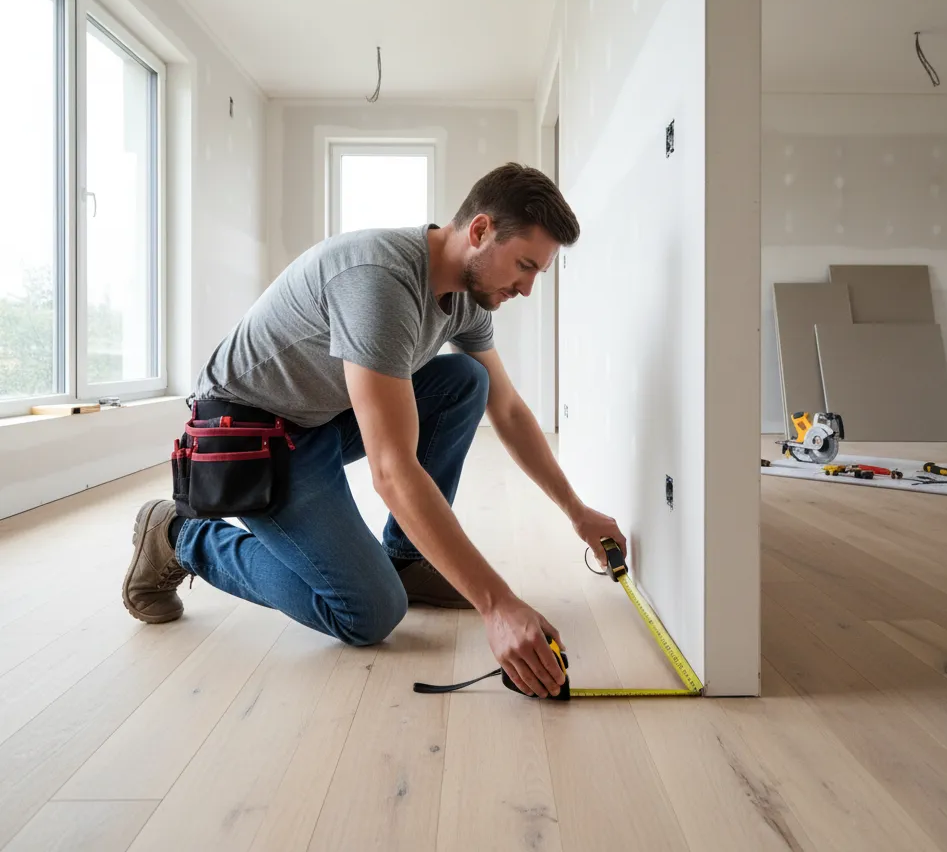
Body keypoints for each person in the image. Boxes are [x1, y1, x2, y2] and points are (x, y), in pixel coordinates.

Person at [121, 162, 626, 698]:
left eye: (537, 274)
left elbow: (509, 410)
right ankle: (179, 535)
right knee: (368, 613)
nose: (525, 288)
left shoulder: (464, 299)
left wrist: (577, 511)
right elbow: (391, 468)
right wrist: (496, 605)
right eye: (524, 266)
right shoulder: (381, 284)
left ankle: (408, 559)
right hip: (248, 435)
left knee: (465, 380)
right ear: (479, 231)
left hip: (314, 418)